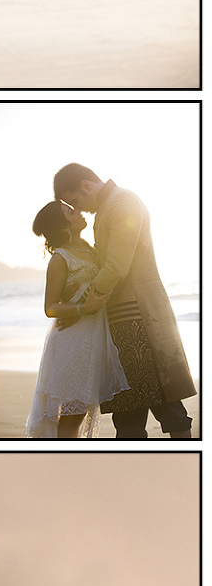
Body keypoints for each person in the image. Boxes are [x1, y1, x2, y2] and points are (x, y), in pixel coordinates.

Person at [52, 162, 196, 439]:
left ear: (86, 185)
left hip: (138, 318)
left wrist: (82, 308)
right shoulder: (110, 206)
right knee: (130, 411)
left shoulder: (122, 203)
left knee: (165, 406)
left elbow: (117, 266)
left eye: (76, 202)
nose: (79, 210)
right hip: (123, 321)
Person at [25, 199, 128, 440]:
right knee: (73, 418)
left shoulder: (91, 249)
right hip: (73, 343)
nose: (79, 211)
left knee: (78, 414)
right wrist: (84, 308)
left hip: (92, 340)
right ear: (64, 227)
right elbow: (50, 308)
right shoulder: (60, 258)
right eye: (71, 212)